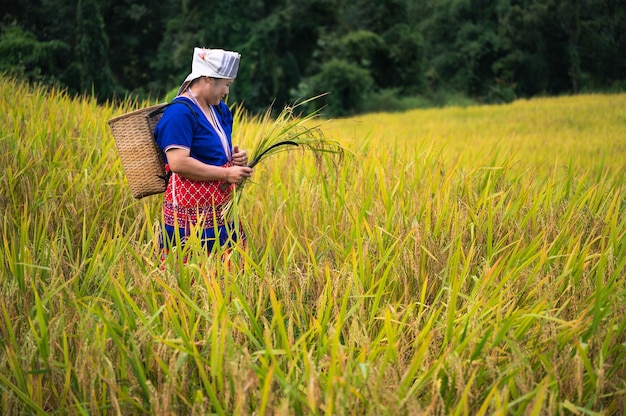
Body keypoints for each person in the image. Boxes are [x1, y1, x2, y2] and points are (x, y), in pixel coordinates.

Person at [154, 47, 253, 262]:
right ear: (208, 79)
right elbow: (178, 162)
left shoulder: (219, 109)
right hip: (190, 213)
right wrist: (226, 175)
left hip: (220, 206)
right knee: (191, 275)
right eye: (225, 84)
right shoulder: (179, 113)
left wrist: (236, 157)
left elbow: (215, 149)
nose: (227, 91)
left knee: (230, 271)